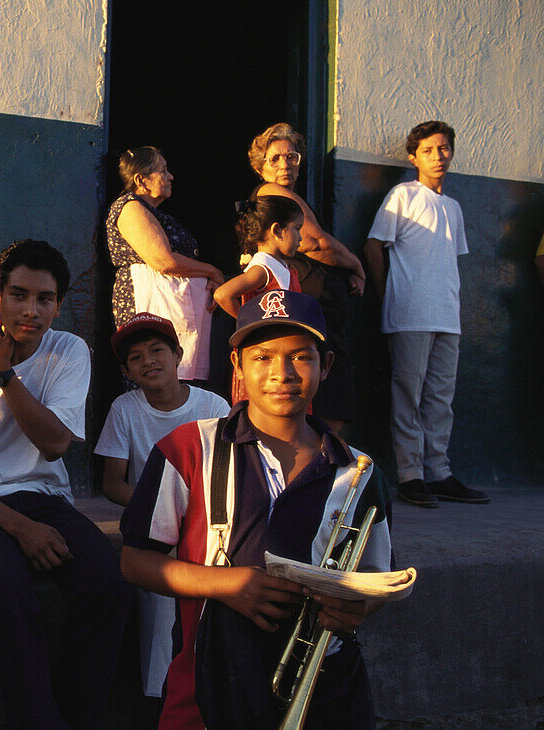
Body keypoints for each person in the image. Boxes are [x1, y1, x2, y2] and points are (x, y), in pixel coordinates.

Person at [121, 289, 394, 729]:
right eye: (263, 358)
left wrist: (356, 608)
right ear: (238, 367)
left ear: (326, 366)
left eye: (301, 357)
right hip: (207, 690)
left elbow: (375, 578)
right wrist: (227, 584)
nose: (281, 373)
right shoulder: (188, 449)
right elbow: (135, 561)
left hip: (328, 690)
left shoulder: (361, 473)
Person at [0, 239, 131, 729]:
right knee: (7, 588)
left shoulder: (69, 350)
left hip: (44, 499)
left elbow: (55, 444)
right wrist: (18, 528)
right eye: (18, 295)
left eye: (45, 299)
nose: (31, 311)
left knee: (108, 585)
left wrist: (5, 375)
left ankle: (79, 717)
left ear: (58, 303)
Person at [94, 312, 229, 700]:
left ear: (178, 355)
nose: (148, 361)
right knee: (159, 607)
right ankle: (162, 697)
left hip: (207, 524)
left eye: (157, 350)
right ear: (127, 370)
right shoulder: (126, 409)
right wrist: (162, 507)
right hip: (153, 529)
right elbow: (112, 484)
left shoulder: (213, 405)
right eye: (136, 357)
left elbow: (229, 473)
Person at [363, 120, 490, 508]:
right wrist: (388, 296)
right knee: (408, 395)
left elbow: (448, 262)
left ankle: (439, 473)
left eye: (445, 148)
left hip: (446, 315)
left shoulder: (453, 207)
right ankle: (410, 476)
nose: (439, 156)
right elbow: (373, 246)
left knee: (440, 398)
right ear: (413, 156)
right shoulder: (403, 194)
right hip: (409, 313)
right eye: (430, 149)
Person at [249, 123, 366, 431]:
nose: (285, 164)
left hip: (323, 313)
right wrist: (355, 265)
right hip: (311, 311)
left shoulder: (288, 197)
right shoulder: (273, 193)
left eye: (292, 157)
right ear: (259, 166)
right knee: (324, 408)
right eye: (275, 158)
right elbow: (315, 243)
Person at [106, 146, 226, 381]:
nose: (170, 176)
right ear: (141, 179)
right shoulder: (130, 207)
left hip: (174, 306)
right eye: (163, 170)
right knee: (155, 375)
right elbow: (163, 260)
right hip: (149, 302)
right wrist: (213, 271)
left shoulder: (151, 211)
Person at [214, 195, 305, 406]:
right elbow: (222, 294)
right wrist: (249, 322)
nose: (300, 237)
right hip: (263, 358)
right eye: (297, 228)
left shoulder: (279, 266)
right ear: (277, 230)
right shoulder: (262, 269)